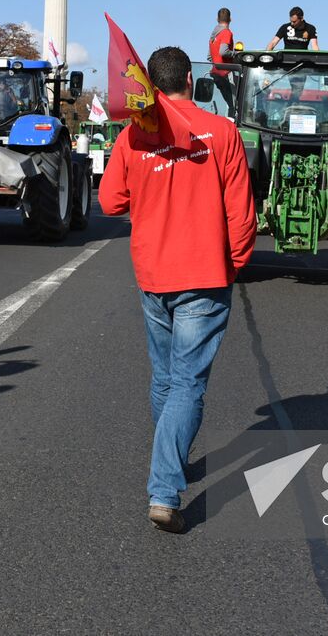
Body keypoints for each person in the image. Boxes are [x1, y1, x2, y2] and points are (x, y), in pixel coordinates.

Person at [98, 46, 256, 534]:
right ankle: (165, 490)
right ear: (191, 78)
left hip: (154, 277)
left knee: (166, 378)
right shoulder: (223, 132)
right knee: (187, 384)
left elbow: (109, 202)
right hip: (204, 277)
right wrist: (233, 264)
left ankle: (171, 457)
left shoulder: (134, 135)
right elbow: (241, 212)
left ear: (151, 82)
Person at [207, 7, 236, 114]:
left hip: (216, 73)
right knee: (235, 105)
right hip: (226, 73)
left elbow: (209, 57)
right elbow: (223, 51)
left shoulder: (213, 36)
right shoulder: (226, 33)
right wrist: (235, 54)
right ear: (230, 19)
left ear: (217, 19)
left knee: (229, 104)